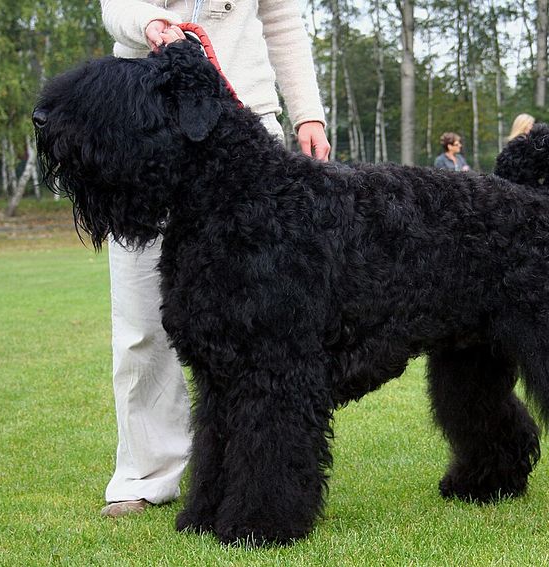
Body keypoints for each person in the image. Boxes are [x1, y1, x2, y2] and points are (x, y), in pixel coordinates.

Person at [98, 0, 331, 518]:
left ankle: (256, 492)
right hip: (147, 118)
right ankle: (145, 476)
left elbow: (283, 19)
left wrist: (307, 110)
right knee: (141, 327)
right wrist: (151, 24)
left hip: (243, 116)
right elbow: (116, 5)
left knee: (258, 342)